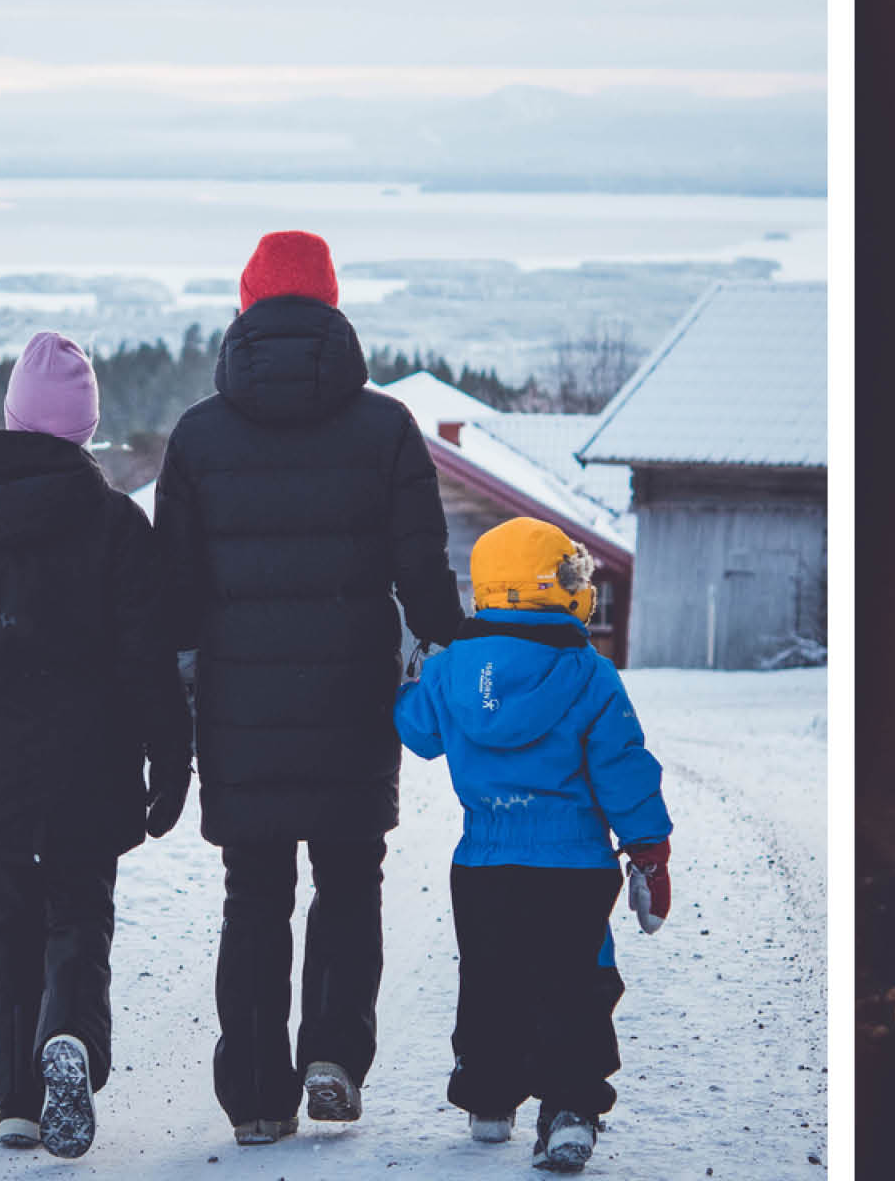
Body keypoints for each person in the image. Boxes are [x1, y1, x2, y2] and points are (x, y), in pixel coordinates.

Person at [153, 230, 466, 1145]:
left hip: (241, 713)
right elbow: (424, 573)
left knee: (253, 894)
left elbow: (172, 597)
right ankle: (333, 1056)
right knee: (349, 882)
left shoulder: (199, 435)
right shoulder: (387, 428)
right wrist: (459, 646)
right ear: (331, 306)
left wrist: (166, 692)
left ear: (246, 308)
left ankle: (255, 1096)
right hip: (350, 703)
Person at [0, 330, 190, 1159]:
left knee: (10, 917)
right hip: (93, 761)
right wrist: (171, 760)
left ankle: (18, 1103)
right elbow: (148, 662)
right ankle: (73, 1042)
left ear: (15, 418)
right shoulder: (119, 526)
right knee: (80, 915)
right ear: (85, 429)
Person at [394, 517, 675, 1174]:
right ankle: (571, 1108)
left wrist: (412, 677)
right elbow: (623, 767)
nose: (582, 584)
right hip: (572, 863)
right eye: (572, 574)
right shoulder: (589, 674)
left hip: (484, 860)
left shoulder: (450, 671)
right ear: (545, 588)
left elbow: (420, 734)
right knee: (574, 981)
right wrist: (648, 850)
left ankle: (489, 1099)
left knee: (490, 975)